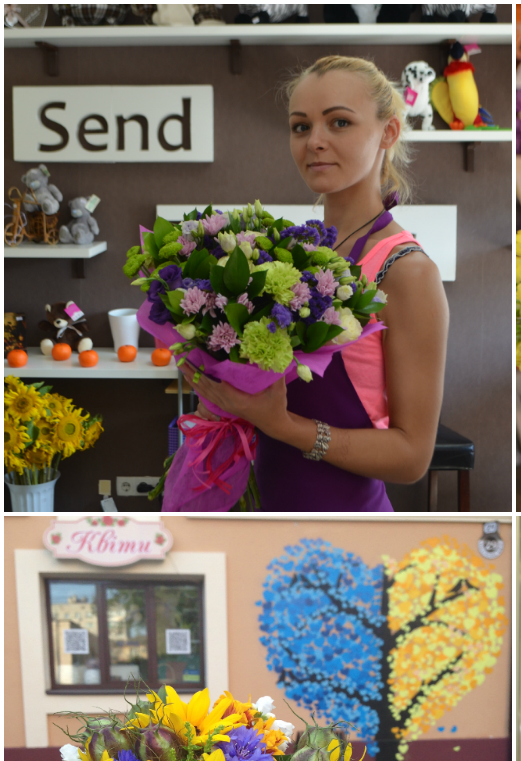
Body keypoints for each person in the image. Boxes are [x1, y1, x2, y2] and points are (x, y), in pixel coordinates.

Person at [183, 55, 448, 511]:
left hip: (346, 527)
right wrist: (219, 387)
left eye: (339, 123)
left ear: (388, 132)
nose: (315, 142)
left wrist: (283, 425)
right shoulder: (291, 256)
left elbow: (411, 457)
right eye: (301, 127)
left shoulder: (406, 270)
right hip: (263, 508)